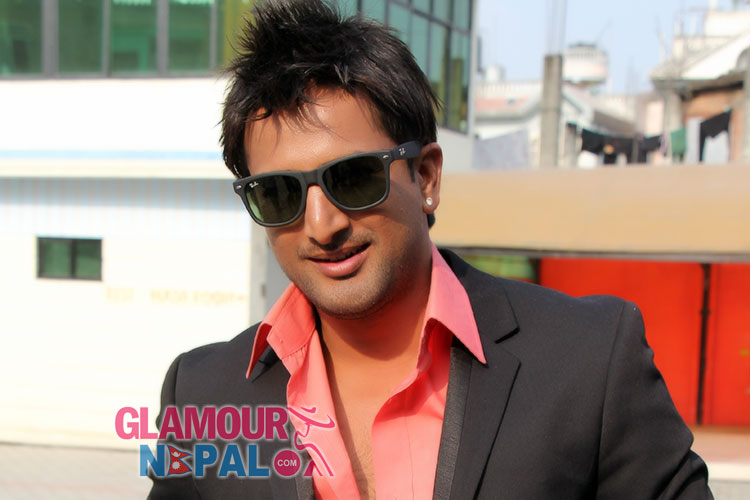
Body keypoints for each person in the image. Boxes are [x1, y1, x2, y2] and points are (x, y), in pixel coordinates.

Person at [148, 1, 712, 499]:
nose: (322, 225)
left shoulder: (590, 362)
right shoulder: (200, 394)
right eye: (278, 193)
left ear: (426, 177)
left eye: (353, 178)